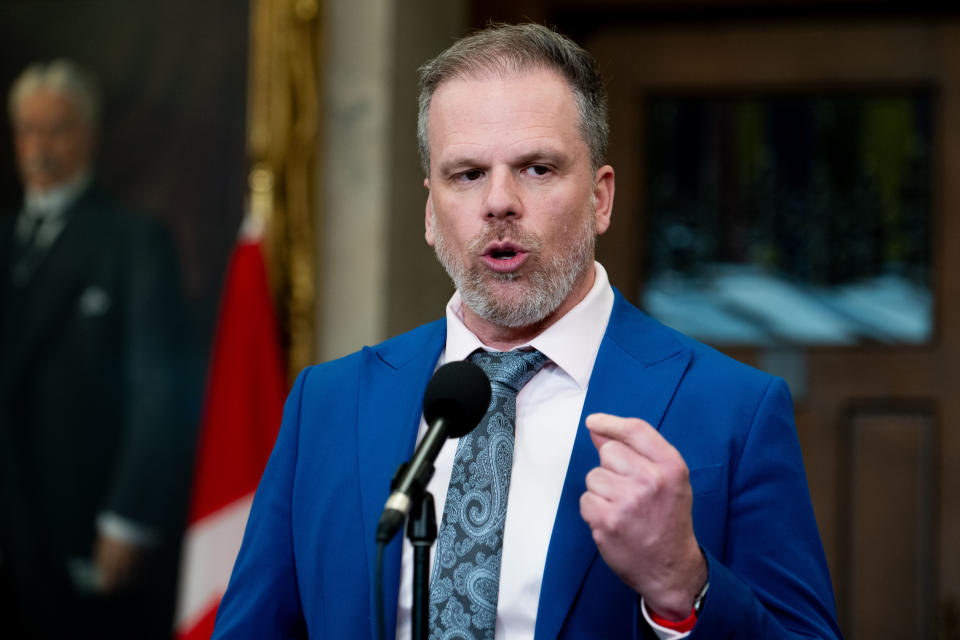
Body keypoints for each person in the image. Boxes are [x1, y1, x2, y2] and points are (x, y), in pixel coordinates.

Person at [212, 23, 842, 639]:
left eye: (537, 168)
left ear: (600, 198)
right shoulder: (327, 403)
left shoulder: (733, 409)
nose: (499, 202)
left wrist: (685, 587)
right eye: (467, 174)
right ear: (431, 212)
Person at [0, 59, 191, 638]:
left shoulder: (134, 242)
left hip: (82, 524)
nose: (40, 146)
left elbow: (160, 389)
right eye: (27, 130)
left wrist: (128, 517)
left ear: (89, 134)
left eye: (55, 129)